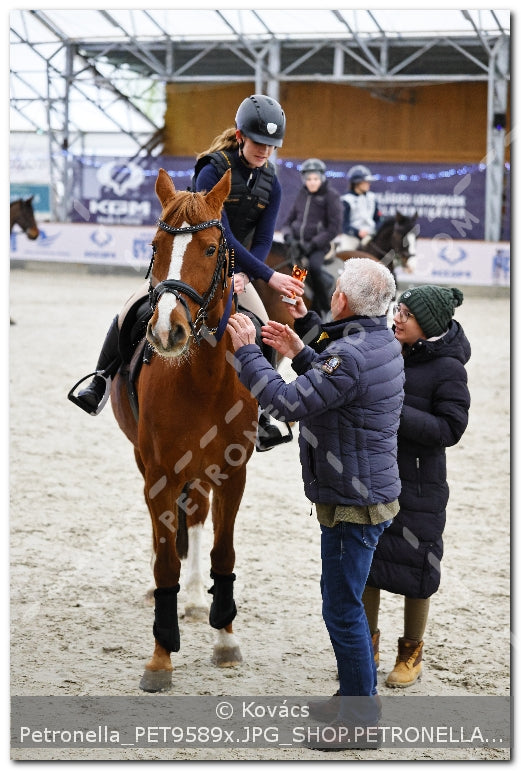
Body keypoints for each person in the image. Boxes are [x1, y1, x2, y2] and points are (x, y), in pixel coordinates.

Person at [226, 258, 404, 750]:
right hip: (367, 493)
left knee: (342, 610)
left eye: (336, 288)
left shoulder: (350, 355)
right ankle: (357, 695)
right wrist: (301, 350)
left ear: (342, 299)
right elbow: (340, 385)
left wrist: (249, 352)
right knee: (343, 603)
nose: (331, 293)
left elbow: (285, 403)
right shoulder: (379, 340)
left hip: (353, 504)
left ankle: (360, 718)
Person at [69, 94, 305, 452]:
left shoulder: (272, 182)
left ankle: (260, 413)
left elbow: (263, 238)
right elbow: (222, 233)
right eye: (259, 143)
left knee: (262, 325)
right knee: (130, 309)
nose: (265, 151)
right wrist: (270, 276)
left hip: (237, 271)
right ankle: (100, 380)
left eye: (271, 146)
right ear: (240, 136)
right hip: (195, 260)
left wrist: (249, 275)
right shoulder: (212, 170)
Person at [361, 285, 470, 689]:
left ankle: (411, 653)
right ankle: (365, 648)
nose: (397, 318)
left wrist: (395, 410)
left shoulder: (450, 369)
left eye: (406, 313)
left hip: (421, 484)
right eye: (398, 309)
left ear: (427, 323)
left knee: (418, 566)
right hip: (375, 473)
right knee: (368, 563)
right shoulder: (387, 350)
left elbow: (450, 428)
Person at [281, 158, 342, 318]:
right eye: (309, 179)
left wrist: (313, 244)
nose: (312, 182)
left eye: (315, 179)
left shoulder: (331, 196)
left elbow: (333, 228)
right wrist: (289, 237)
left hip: (318, 247)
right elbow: (288, 221)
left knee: (314, 268)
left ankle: (323, 307)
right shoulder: (302, 194)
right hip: (296, 244)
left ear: (321, 178)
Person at [340, 164, 381, 251]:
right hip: (352, 237)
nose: (368, 184)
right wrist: (357, 232)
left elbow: (378, 219)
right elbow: (344, 224)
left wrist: (375, 230)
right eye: (365, 181)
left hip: (371, 236)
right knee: (344, 253)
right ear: (357, 183)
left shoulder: (372, 197)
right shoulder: (346, 200)